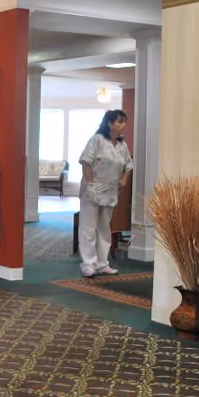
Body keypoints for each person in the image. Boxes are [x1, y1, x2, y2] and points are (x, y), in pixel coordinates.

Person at [78, 109, 133, 278]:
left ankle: (102, 264)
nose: (123, 125)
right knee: (89, 228)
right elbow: (86, 162)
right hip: (92, 192)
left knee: (104, 228)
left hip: (110, 192)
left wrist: (123, 180)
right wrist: (91, 183)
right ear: (109, 123)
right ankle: (88, 264)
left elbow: (128, 166)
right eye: (119, 122)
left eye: (124, 122)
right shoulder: (97, 140)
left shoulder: (122, 146)